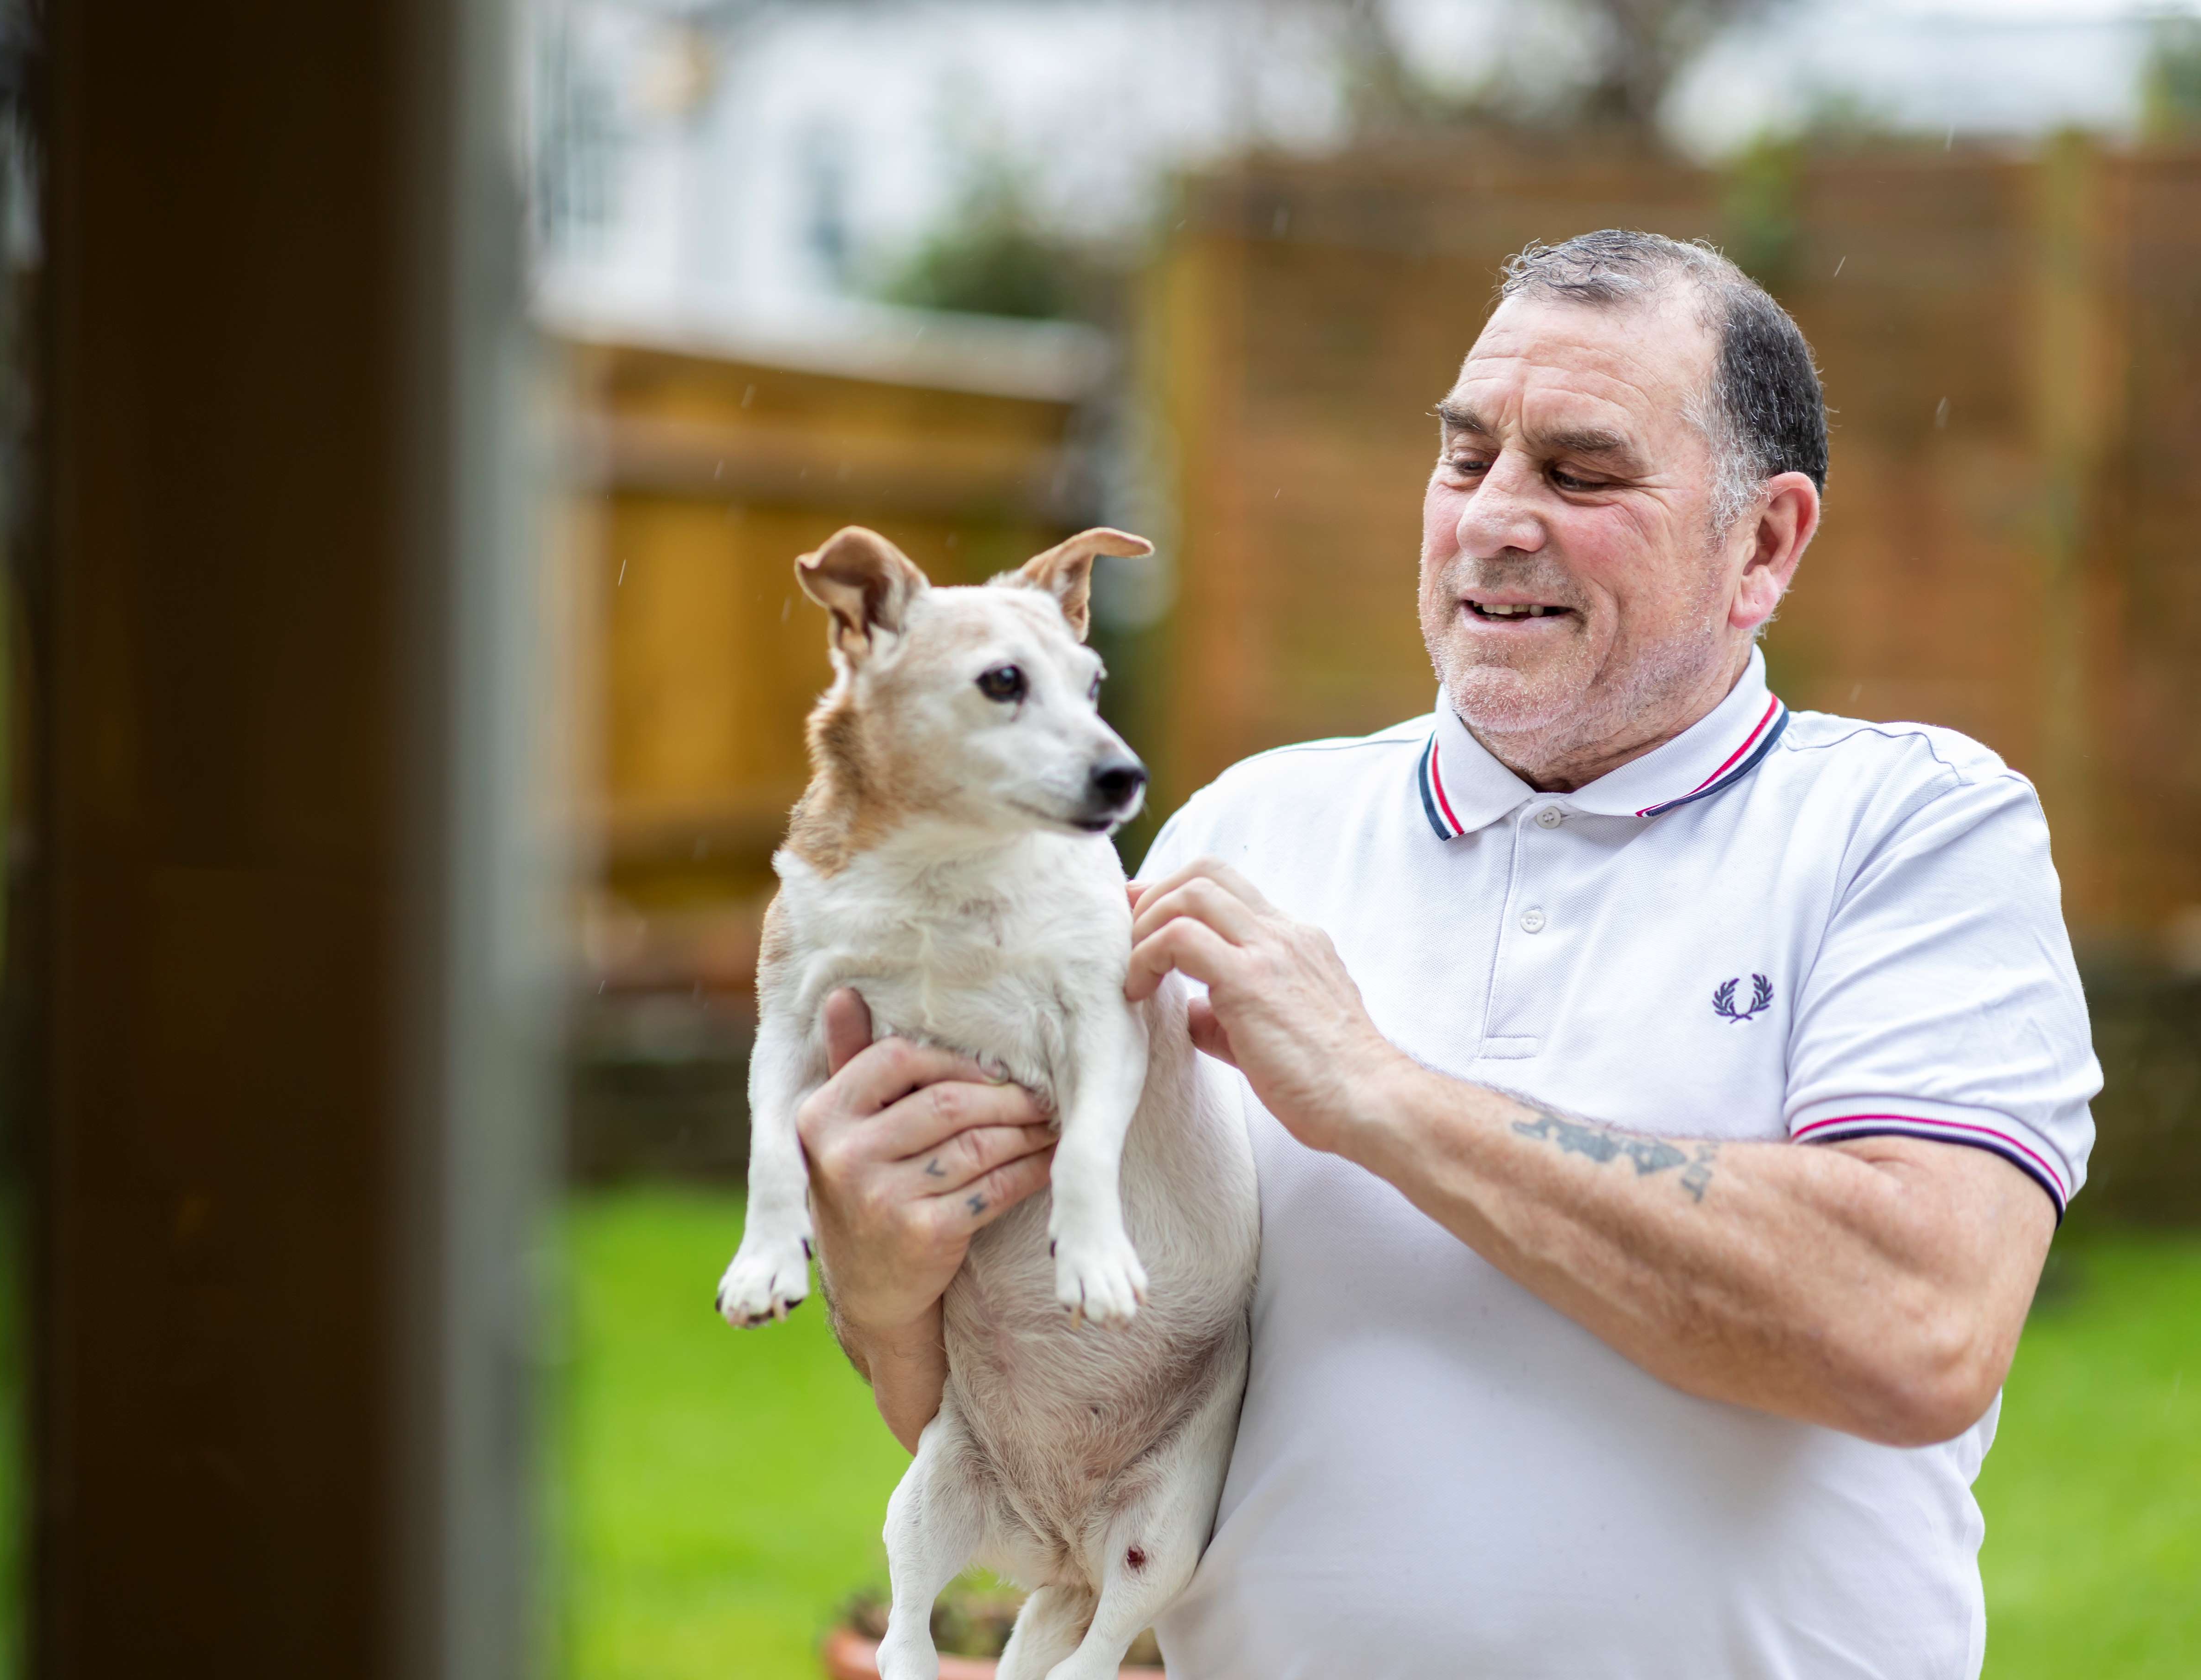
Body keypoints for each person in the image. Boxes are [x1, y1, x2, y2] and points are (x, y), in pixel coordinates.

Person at [793, 229, 2097, 1679]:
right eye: (1466, 457)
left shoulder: (1910, 827)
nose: (1492, 519)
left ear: (1766, 544)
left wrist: (1380, 1092)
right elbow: (1067, 1410)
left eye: (1581, 473)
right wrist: (887, 1283)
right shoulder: (1245, 831)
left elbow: (1913, 1325)